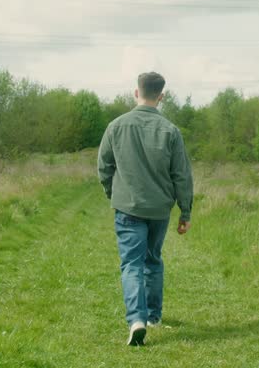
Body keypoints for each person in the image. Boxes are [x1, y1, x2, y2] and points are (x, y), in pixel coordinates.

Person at [97, 71, 194, 346]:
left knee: (131, 264)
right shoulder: (171, 131)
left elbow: (103, 166)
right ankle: (153, 315)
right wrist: (185, 212)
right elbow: (182, 176)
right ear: (161, 96)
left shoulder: (116, 126)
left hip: (128, 208)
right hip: (159, 210)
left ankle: (136, 320)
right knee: (152, 259)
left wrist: (111, 192)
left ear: (136, 92)